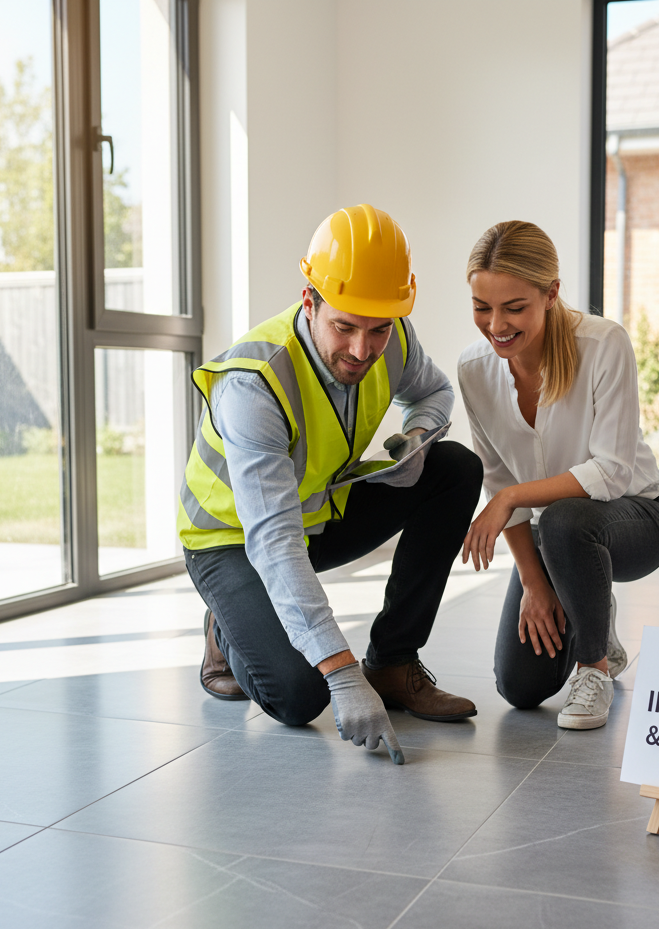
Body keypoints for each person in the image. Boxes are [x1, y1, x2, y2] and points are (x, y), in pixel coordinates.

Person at [179, 204, 482, 765]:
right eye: (344, 327)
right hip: (230, 540)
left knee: (454, 468)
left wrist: (413, 440)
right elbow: (273, 542)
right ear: (310, 302)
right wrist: (340, 673)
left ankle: (392, 662)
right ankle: (226, 628)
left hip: (317, 511)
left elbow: (435, 393)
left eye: (377, 330)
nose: (363, 351)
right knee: (299, 695)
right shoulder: (254, 384)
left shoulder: (391, 337)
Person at [457, 221, 659, 729]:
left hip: (639, 519)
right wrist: (534, 583)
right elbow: (495, 478)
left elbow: (611, 471)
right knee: (520, 688)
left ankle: (594, 667)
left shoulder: (603, 344)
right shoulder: (474, 370)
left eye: (514, 308)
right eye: (481, 307)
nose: (496, 325)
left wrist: (513, 497)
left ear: (551, 294)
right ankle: (597, 614)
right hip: (556, 534)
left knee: (562, 520)